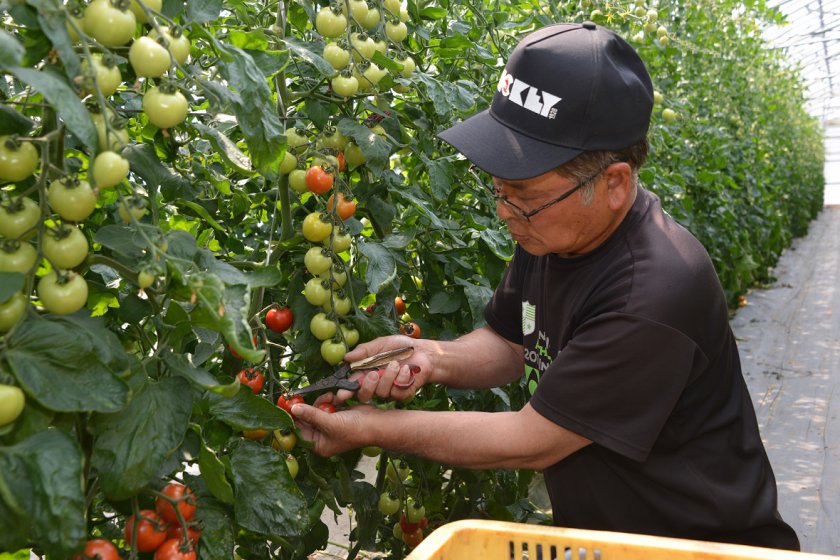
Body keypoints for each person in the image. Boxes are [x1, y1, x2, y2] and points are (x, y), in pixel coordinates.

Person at [290, 22, 800, 550]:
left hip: (697, 547)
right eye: (499, 189)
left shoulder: (650, 294)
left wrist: (371, 429)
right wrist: (431, 357)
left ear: (615, 184)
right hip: (606, 541)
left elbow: (530, 440)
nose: (504, 211)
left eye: (522, 194)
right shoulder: (553, 231)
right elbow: (514, 342)